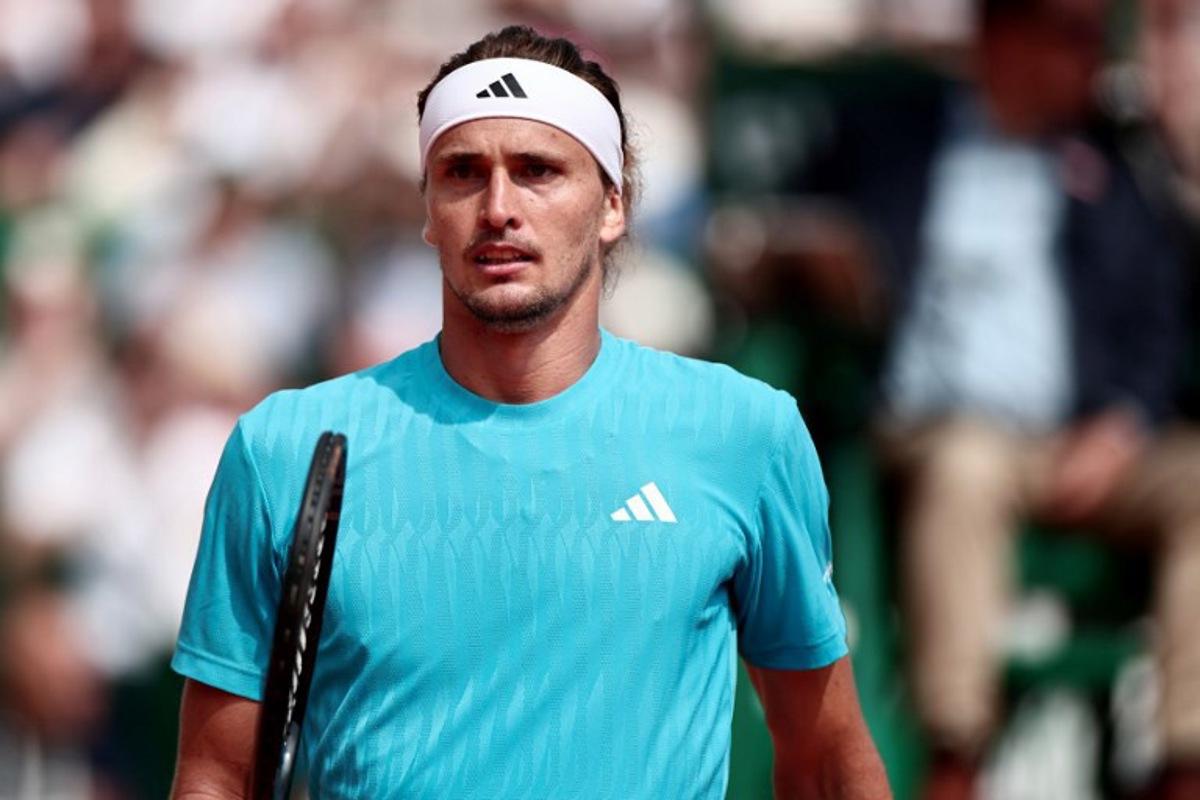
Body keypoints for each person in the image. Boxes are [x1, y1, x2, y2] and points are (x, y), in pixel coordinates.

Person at [168, 25, 890, 799]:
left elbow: (826, 762)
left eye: (538, 170)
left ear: (613, 206)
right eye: (462, 173)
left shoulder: (745, 435)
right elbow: (215, 774)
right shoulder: (285, 448)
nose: (498, 208)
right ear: (427, 210)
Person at [804, 0, 1200, 797]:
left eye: (1098, 34)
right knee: (967, 466)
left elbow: (1168, 315)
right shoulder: (895, 139)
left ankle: (1184, 762)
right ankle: (957, 758)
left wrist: (1123, 426)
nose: (1094, 56)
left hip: (1088, 440)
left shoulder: (1111, 163)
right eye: (1072, 33)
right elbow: (792, 232)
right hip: (936, 428)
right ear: (1001, 37)